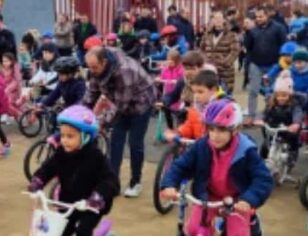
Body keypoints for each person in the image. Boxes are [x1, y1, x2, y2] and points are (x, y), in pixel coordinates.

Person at [160, 100, 274, 236]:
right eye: (210, 128)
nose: (215, 135)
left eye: (222, 129)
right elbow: (181, 166)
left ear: (235, 130)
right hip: (209, 196)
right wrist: (169, 184)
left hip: (237, 200)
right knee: (193, 230)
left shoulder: (246, 151)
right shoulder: (202, 146)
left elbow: (263, 180)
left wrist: (248, 199)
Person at [27, 105, 120, 236]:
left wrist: (98, 197)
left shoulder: (96, 157)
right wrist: (37, 180)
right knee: (58, 235)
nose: (65, 141)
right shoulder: (61, 153)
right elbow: (48, 168)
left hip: (91, 206)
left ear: (85, 137)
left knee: (82, 232)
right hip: (68, 202)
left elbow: (111, 181)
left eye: (70, 136)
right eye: (62, 136)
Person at [83, 46, 157, 198]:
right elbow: (91, 93)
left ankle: (135, 182)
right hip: (120, 100)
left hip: (141, 103)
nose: (92, 70)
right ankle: (112, 184)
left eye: (94, 67)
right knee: (116, 142)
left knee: (134, 143)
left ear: (104, 62)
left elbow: (119, 107)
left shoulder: (124, 71)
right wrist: (80, 113)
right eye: (89, 67)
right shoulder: (96, 68)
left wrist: (101, 122)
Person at [244, 7, 288, 124]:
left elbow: (283, 44)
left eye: (261, 16)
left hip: (273, 64)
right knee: (253, 90)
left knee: (272, 92)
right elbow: (248, 46)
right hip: (256, 63)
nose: (258, 19)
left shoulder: (278, 28)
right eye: (257, 17)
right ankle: (251, 116)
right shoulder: (253, 30)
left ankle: (271, 115)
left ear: (267, 16)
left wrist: (281, 62)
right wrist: (247, 32)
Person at [256, 74, 304, 161]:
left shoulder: (294, 104)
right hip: (273, 127)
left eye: (284, 96)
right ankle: (261, 161)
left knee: (293, 139)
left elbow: (298, 113)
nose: (281, 98)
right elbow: (264, 112)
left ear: (289, 95)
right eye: (278, 96)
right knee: (265, 146)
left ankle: (292, 153)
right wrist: (260, 119)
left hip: (288, 127)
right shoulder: (271, 104)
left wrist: (296, 123)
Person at [165, 69, 220, 142]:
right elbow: (189, 125)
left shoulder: (221, 110)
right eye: (194, 92)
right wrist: (179, 133)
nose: (196, 96)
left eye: (200, 92)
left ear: (213, 90)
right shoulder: (194, 109)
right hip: (199, 146)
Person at [201, 11, 240, 92]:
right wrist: (205, 61)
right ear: (212, 21)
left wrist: (225, 62)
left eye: (220, 18)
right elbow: (202, 49)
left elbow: (235, 51)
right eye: (215, 18)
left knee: (225, 96)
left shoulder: (231, 34)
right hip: (210, 71)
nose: (218, 21)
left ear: (223, 20)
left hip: (225, 72)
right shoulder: (207, 34)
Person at [158, 49, 185, 129]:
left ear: (177, 61)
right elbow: (162, 77)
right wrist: (159, 80)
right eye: (168, 60)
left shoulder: (181, 69)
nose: (169, 63)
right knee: (167, 111)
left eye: (172, 61)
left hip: (178, 95)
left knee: (178, 114)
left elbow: (181, 80)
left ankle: (179, 129)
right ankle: (170, 128)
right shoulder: (165, 69)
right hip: (167, 93)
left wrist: (173, 81)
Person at [1, 52, 24, 120]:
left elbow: (16, 82)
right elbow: (2, 80)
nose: (4, 63)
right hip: (7, 91)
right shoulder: (4, 69)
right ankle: (18, 115)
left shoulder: (14, 68)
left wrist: (7, 90)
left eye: (6, 61)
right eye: (3, 61)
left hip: (14, 91)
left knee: (7, 104)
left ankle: (20, 115)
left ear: (11, 61)